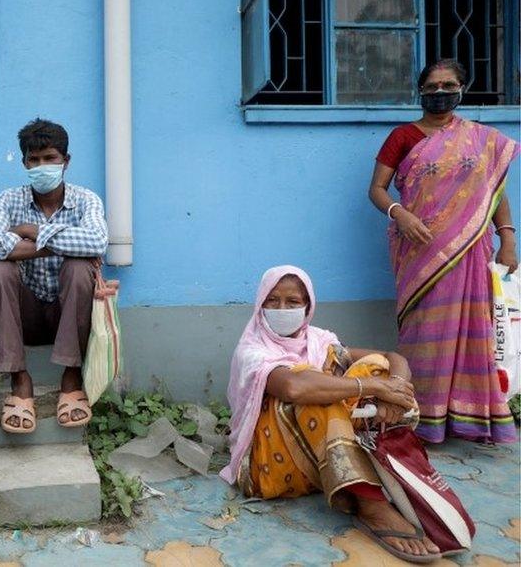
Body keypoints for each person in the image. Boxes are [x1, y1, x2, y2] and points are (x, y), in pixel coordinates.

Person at [221, 266, 442, 563]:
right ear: (260, 304)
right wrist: (373, 386)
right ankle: (372, 507)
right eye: (272, 301)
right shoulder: (253, 349)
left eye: (292, 301)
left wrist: (395, 389)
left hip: (319, 462)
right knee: (316, 390)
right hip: (266, 469)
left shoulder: (320, 340)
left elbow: (392, 358)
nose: (282, 308)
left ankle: (385, 471)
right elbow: (294, 388)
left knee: (374, 365)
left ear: (308, 306)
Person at [368, 59, 519, 445]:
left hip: (469, 249)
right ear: (420, 91)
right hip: (418, 251)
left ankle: (465, 418)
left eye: (448, 85)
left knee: (472, 330)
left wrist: (509, 238)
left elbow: (494, 195)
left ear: (461, 89)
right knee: (424, 332)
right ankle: (422, 416)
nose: (440, 93)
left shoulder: (482, 139)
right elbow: (377, 189)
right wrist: (398, 214)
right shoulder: (403, 137)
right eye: (432, 86)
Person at [0, 118, 108, 434]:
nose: (42, 166)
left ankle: (72, 375)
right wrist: (59, 243)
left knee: (78, 267)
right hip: (27, 314)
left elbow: (97, 242)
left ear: (66, 161)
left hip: (70, 314)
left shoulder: (85, 200)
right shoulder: (9, 199)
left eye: (50, 158)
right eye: (34, 160)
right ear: (24, 162)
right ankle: (19, 379)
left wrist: (29, 234)